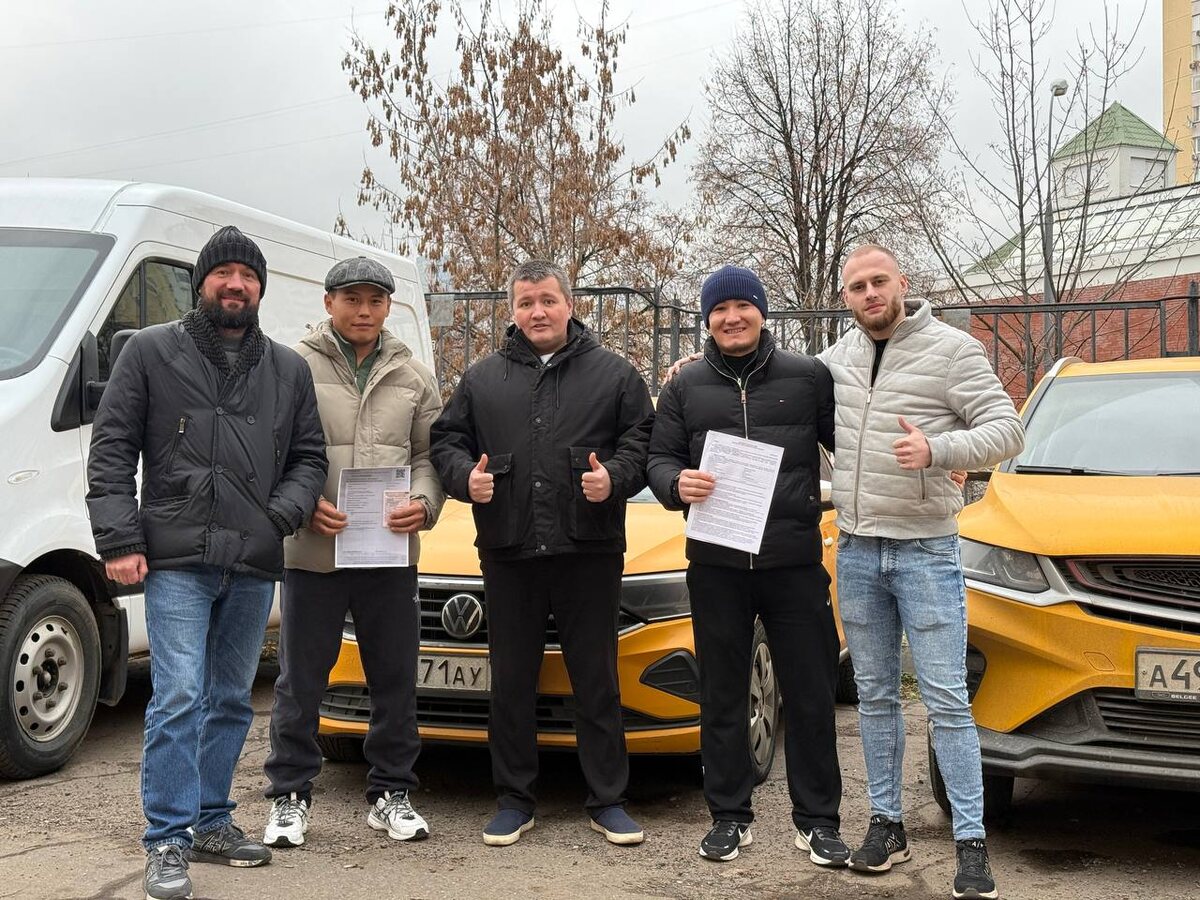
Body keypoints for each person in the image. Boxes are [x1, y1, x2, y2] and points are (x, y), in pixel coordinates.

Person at [86, 226, 327, 900]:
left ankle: (212, 820)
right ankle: (167, 838)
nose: (235, 285)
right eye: (223, 273)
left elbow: (309, 457)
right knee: (178, 695)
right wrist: (119, 541)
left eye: (247, 276)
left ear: (260, 288)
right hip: (176, 560)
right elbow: (111, 448)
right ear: (202, 283)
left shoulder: (288, 369)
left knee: (229, 698)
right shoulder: (149, 352)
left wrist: (280, 515)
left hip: (252, 559)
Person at [430, 259, 654, 848]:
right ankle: (514, 800)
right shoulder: (483, 379)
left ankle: (608, 800)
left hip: (589, 549)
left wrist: (616, 477)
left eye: (548, 300)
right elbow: (447, 441)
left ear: (569, 304)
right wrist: (464, 478)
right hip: (510, 549)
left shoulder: (615, 375)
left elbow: (642, 440)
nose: (538, 312)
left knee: (596, 679)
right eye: (526, 302)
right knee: (510, 681)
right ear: (512, 311)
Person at [827, 244, 1022, 900]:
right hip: (858, 550)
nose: (869, 293)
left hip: (926, 551)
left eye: (878, 281)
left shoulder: (952, 350)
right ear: (846, 297)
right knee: (876, 697)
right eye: (857, 286)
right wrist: (697, 368)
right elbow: (776, 387)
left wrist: (937, 449)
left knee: (946, 701)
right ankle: (887, 825)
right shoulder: (837, 359)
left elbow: (1008, 430)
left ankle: (971, 841)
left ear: (902, 283)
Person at [645, 265, 848, 867]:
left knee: (810, 694)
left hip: (793, 562)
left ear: (762, 311)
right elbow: (659, 458)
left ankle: (818, 822)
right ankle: (729, 817)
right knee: (723, 694)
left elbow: (850, 444)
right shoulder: (684, 386)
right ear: (706, 320)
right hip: (717, 565)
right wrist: (675, 483)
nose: (732, 318)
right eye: (719, 310)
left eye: (743, 306)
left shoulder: (807, 377)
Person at [260, 257, 445, 848]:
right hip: (314, 553)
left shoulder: (413, 375)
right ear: (328, 302)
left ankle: (392, 792)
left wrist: (424, 502)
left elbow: (430, 456)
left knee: (394, 679)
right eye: (351, 299)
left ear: (388, 306)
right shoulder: (292, 366)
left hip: (389, 556)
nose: (364, 311)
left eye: (375, 300)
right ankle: (290, 795)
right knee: (301, 682)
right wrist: (304, 504)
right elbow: (270, 451)